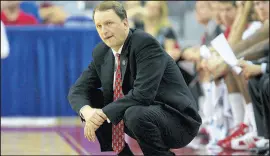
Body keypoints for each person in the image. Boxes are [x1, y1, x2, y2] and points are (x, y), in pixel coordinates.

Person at [68, 1, 201, 156]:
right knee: (91, 98)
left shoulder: (145, 44)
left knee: (133, 113)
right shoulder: (102, 53)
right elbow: (77, 90)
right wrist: (88, 112)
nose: (104, 31)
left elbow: (142, 95)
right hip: (144, 114)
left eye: (109, 23)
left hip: (178, 121)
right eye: (99, 26)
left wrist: (102, 114)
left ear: (125, 23)